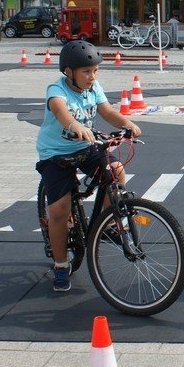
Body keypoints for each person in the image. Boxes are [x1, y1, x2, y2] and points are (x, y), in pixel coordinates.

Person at [35, 41, 141, 293]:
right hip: (56, 154)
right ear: (69, 72)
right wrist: (76, 126)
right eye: (86, 71)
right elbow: (61, 112)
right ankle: (61, 265)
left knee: (115, 171)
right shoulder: (56, 89)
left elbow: (106, 111)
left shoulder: (93, 88)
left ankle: (111, 223)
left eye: (94, 71)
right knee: (59, 211)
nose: (91, 76)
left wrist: (127, 123)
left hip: (85, 146)